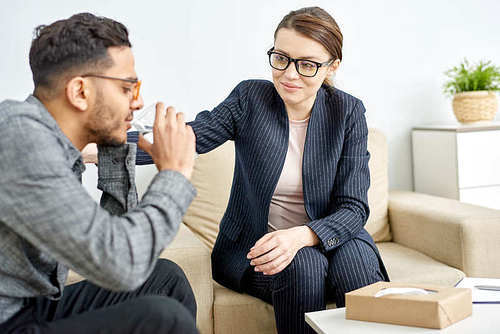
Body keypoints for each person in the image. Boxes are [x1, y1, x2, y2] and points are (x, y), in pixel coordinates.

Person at [130, 6, 389, 334]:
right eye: (281, 58)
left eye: (307, 65)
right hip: (259, 248)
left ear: (332, 67)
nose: (289, 74)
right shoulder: (250, 99)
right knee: (304, 265)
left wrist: (301, 236)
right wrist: (102, 146)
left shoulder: (348, 111)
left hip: (332, 242)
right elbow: (187, 137)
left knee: (354, 263)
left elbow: (354, 208)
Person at [0, 13, 199, 334]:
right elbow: (122, 264)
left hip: (31, 308)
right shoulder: (21, 139)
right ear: (80, 92)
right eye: (126, 88)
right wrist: (174, 174)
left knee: (165, 279)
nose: (139, 102)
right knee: (163, 318)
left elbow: (122, 242)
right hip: (9, 320)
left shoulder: (51, 143)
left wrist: (114, 147)